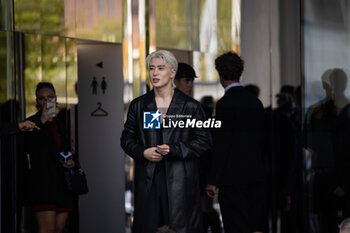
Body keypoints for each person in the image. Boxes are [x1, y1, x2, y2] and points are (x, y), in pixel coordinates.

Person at [120, 50, 211, 233]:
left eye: (161, 68)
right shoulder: (140, 105)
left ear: (172, 72)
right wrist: (142, 152)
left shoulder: (190, 106)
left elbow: (204, 141)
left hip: (180, 180)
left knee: (180, 228)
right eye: (151, 68)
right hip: (149, 178)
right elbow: (127, 138)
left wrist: (174, 149)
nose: (155, 73)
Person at [206, 51, 267, 233]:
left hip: (233, 180)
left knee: (236, 226)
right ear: (240, 72)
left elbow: (222, 144)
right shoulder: (255, 102)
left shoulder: (225, 104)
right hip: (257, 176)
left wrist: (213, 179)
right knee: (255, 226)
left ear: (220, 74)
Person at [23, 82, 75, 233]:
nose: (46, 102)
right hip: (43, 186)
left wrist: (71, 161)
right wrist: (42, 120)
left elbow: (67, 149)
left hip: (62, 185)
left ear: (56, 99)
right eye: (42, 98)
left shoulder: (61, 124)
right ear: (37, 102)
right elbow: (28, 148)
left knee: (58, 229)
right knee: (47, 230)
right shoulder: (31, 123)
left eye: (50, 98)